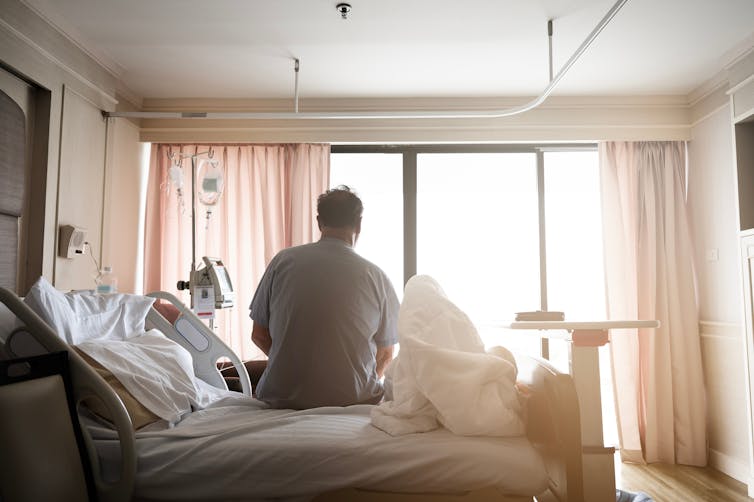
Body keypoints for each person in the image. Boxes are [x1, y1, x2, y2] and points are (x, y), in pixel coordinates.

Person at [249, 185, 399, 409]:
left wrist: (292, 364)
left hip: (281, 399)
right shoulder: (377, 277)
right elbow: (386, 352)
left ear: (319, 222)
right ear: (359, 223)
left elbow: (259, 335)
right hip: (354, 400)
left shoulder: (283, 262)